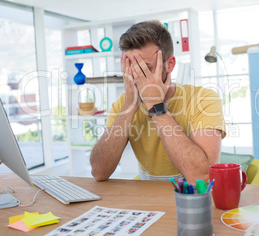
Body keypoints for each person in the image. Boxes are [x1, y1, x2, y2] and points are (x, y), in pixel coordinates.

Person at [90, 20, 226, 183]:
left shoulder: (204, 99)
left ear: (169, 65)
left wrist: (156, 106)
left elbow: (202, 177)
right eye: (131, 68)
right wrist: (129, 107)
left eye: (145, 68)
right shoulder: (123, 104)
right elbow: (99, 172)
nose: (136, 77)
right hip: (148, 200)